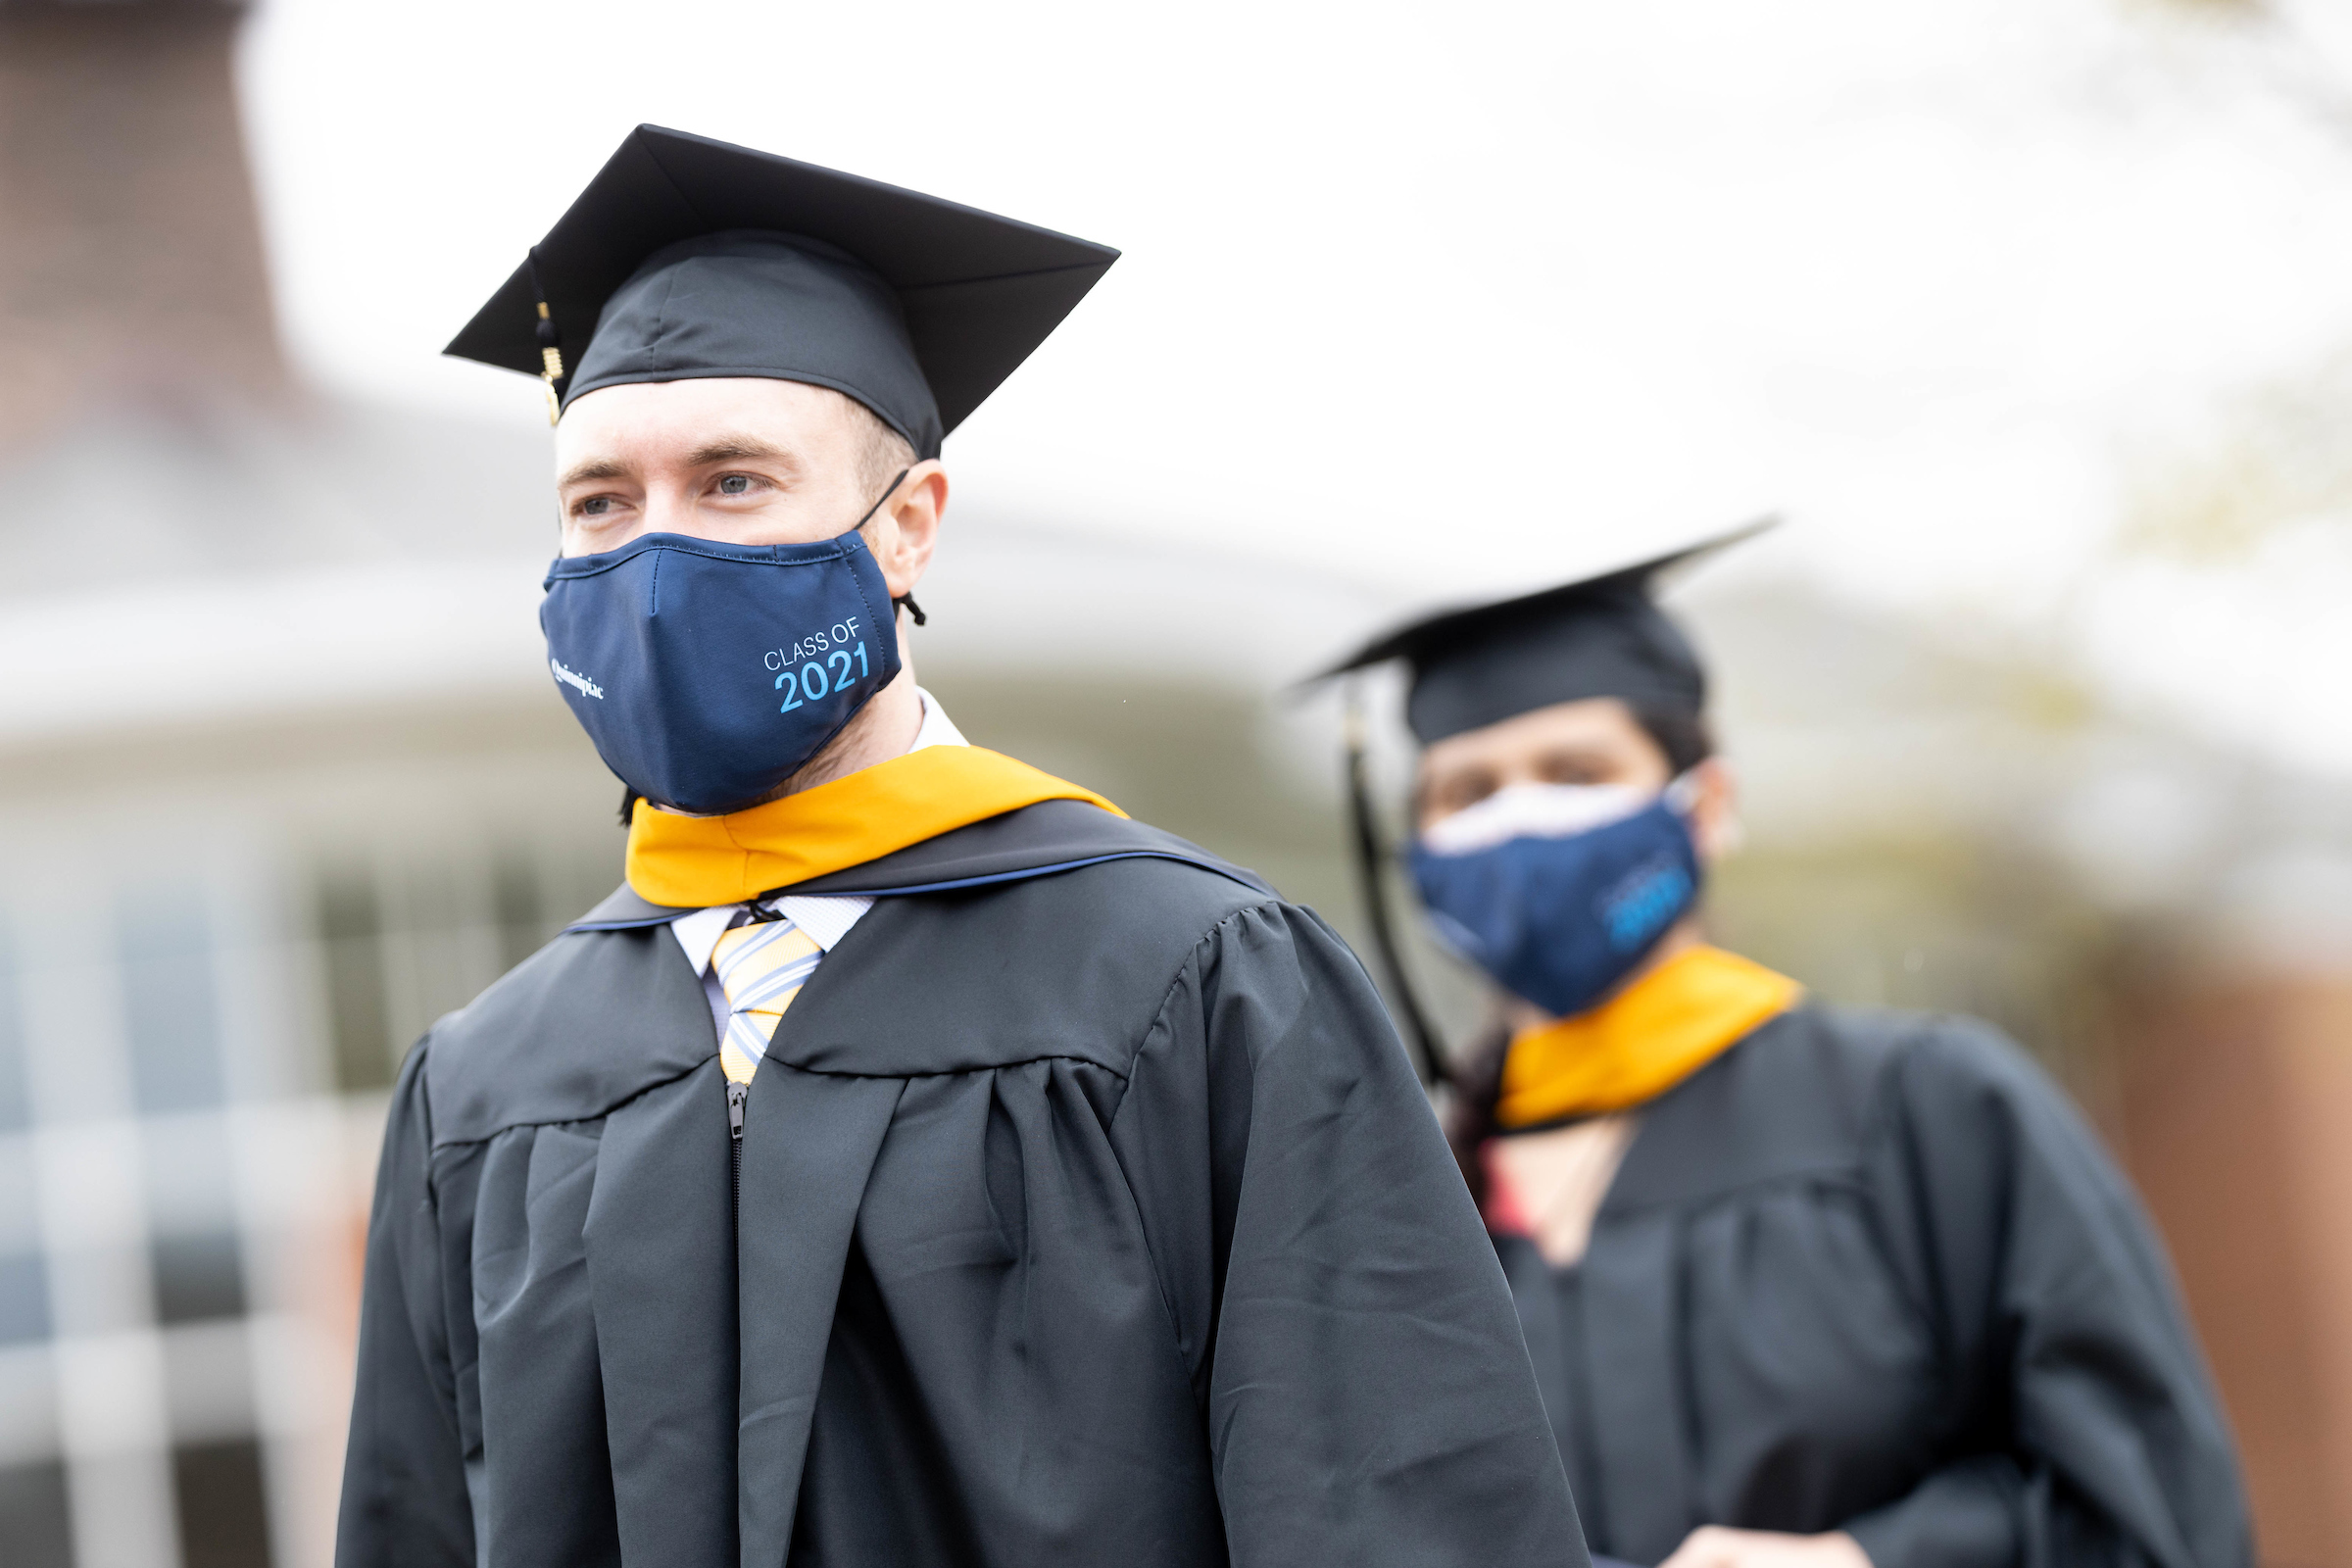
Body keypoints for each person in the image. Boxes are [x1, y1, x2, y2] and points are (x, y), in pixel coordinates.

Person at [335, 124, 1589, 1568]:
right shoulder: (483, 1089)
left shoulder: (1191, 984)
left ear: (908, 528)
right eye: (601, 502)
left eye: (734, 482)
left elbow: (1400, 1520)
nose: (656, 560)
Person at [1318, 528, 2255, 1568]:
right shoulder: (1395, 1195)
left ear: (1708, 805)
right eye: (1467, 793)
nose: (1519, 823)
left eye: (1575, 771)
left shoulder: (1928, 1109)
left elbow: (2155, 1510)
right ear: (1417, 852)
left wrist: (1868, 1561)